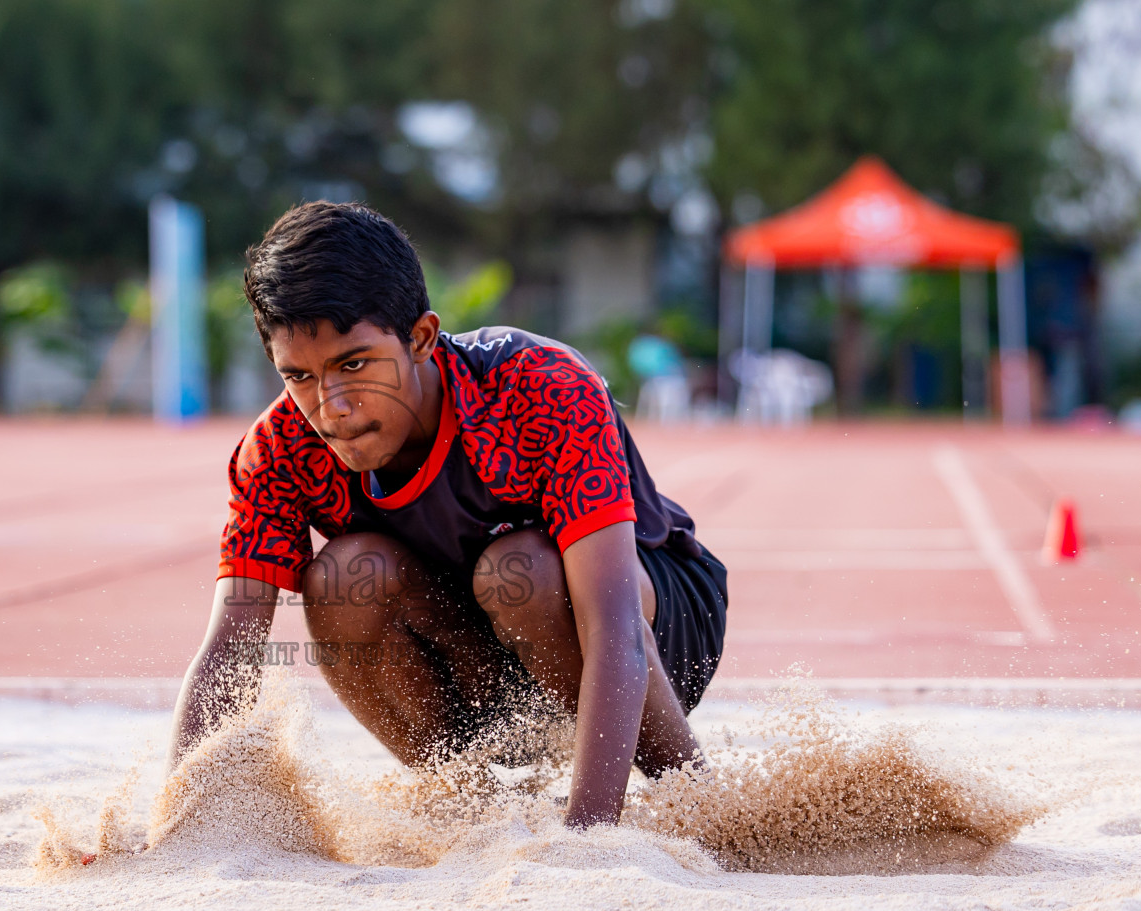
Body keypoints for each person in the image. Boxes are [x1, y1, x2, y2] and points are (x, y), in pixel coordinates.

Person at [169, 203, 728, 828]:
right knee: (343, 577)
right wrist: (175, 830)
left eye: (354, 365)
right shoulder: (276, 449)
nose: (335, 409)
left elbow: (617, 628)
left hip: (651, 629)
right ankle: (479, 808)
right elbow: (229, 650)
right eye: (299, 375)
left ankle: (699, 799)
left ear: (422, 338)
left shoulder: (539, 388)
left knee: (517, 570)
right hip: (476, 657)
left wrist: (586, 837)